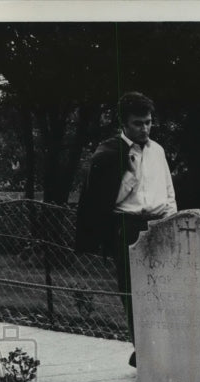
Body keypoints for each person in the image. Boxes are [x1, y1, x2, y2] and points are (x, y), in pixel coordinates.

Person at [75, 92, 177, 367]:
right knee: (134, 295)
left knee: (164, 291)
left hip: (159, 224)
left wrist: (172, 222)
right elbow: (102, 201)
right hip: (128, 227)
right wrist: (130, 176)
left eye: (148, 122)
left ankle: (159, 349)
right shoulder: (109, 153)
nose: (144, 128)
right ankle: (144, 352)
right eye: (137, 123)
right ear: (124, 124)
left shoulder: (157, 151)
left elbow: (168, 191)